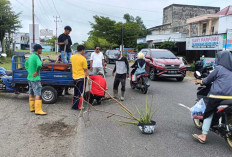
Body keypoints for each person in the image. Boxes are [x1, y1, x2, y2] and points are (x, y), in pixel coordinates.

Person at [193, 51, 232, 143]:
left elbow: (208, 79)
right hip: (230, 97)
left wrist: (200, 81)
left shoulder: (219, 68)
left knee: (208, 113)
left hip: (216, 96)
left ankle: (203, 135)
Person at [25, 44, 47, 115]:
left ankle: (32, 108)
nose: (41, 50)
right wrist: (37, 71)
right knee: (38, 93)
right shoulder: (36, 56)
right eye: (41, 49)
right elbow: (40, 65)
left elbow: (26, 64)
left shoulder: (31, 56)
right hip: (35, 78)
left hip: (30, 77)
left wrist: (30, 71)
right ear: (38, 50)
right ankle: (38, 110)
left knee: (31, 92)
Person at [70, 45, 89, 110]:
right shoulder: (83, 58)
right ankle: (78, 106)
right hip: (81, 78)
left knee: (75, 93)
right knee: (80, 93)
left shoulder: (72, 57)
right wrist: (88, 78)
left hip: (75, 78)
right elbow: (85, 70)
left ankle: (74, 105)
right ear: (82, 50)